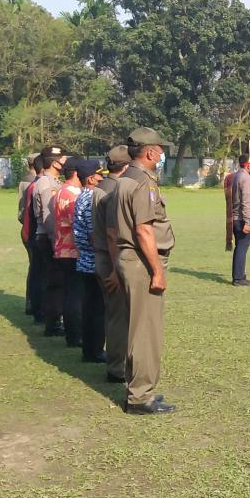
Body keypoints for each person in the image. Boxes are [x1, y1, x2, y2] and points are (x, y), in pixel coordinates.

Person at [115, 127, 176, 415]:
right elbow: (143, 230)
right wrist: (157, 271)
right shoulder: (143, 183)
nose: (163, 154)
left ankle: (140, 387)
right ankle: (140, 396)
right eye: (161, 150)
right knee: (145, 331)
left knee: (137, 327)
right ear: (151, 152)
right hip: (142, 262)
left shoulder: (126, 178)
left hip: (130, 259)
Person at [95, 145, 131, 383]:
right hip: (112, 258)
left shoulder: (100, 187)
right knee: (119, 316)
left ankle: (116, 362)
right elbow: (111, 235)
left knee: (113, 314)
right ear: (127, 166)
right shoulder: (114, 191)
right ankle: (117, 368)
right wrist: (118, 269)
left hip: (103, 256)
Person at [71, 159, 106, 364]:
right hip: (93, 259)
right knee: (97, 309)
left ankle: (89, 349)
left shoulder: (81, 196)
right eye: (100, 175)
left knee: (89, 306)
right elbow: (94, 233)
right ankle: (94, 350)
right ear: (92, 178)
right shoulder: (92, 198)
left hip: (84, 259)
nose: (103, 178)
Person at [31, 147, 66, 329]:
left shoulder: (53, 181)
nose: (66, 161)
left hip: (50, 236)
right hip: (48, 236)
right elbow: (49, 215)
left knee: (56, 279)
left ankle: (53, 317)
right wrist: (56, 241)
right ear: (54, 162)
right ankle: (52, 322)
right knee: (54, 281)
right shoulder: (46, 183)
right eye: (63, 158)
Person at [52, 159, 84, 347]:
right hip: (72, 250)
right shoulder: (73, 195)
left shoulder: (60, 191)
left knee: (69, 293)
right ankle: (75, 336)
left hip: (61, 248)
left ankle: (72, 333)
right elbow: (77, 223)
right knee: (75, 295)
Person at [230, 145, 250, 286]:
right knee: (242, 248)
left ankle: (240, 275)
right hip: (243, 219)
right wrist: (248, 222)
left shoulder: (236, 176)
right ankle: (239, 278)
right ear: (248, 165)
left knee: (239, 247)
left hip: (236, 218)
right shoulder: (246, 179)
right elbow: (247, 202)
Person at [16, 152, 40, 316]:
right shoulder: (33, 181)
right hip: (32, 228)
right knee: (37, 269)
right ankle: (34, 303)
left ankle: (31, 302)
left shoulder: (24, 180)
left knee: (34, 268)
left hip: (25, 226)